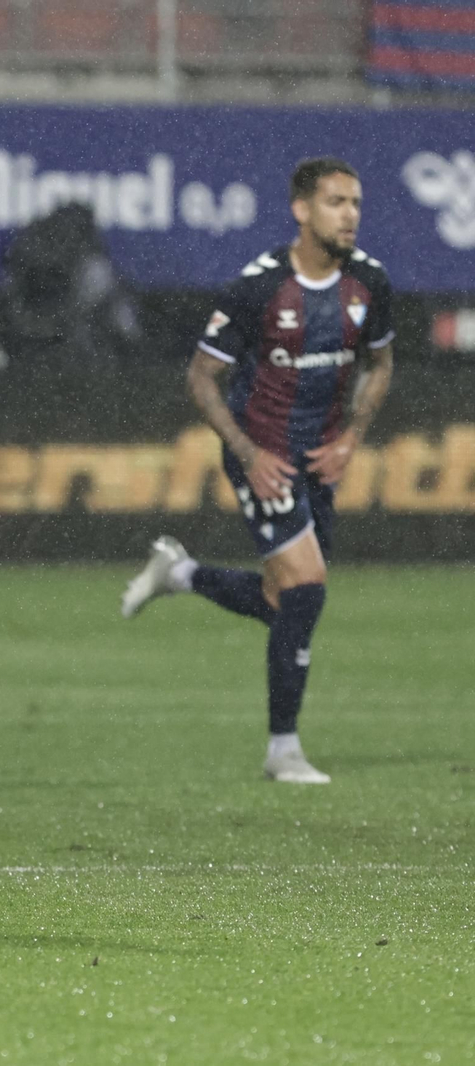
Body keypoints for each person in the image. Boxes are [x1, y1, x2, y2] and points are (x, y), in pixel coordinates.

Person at [122, 157, 394, 785]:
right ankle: (283, 751)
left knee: (284, 603)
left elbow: (380, 365)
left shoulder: (370, 283)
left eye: (355, 202)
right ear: (301, 210)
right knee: (306, 589)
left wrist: (352, 438)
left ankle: (182, 574)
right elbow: (201, 376)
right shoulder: (260, 288)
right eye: (335, 202)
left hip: (323, 456)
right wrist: (248, 453)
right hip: (263, 455)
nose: (349, 214)